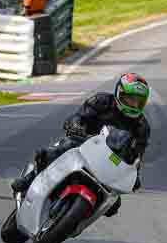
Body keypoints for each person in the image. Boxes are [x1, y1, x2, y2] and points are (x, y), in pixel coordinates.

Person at [11, 73, 151, 217]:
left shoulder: (142, 127)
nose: (133, 104)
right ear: (119, 93)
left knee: (114, 205)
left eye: (138, 101)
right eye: (130, 98)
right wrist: (75, 125)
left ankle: (80, 217)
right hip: (83, 144)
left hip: (109, 162)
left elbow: (137, 155)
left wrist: (135, 175)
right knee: (63, 147)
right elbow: (79, 116)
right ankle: (29, 179)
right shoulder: (101, 101)